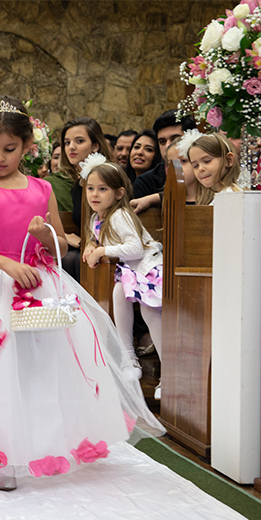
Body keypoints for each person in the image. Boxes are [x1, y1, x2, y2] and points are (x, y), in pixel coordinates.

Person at [0, 95, 162, 493]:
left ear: (27, 147)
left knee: (40, 366)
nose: (0, 157)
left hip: (39, 285)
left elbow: (59, 247)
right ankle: (1, 453)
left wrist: (43, 238)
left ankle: (40, 441)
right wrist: (6, 263)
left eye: (10, 149)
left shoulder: (40, 188)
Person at [81, 158, 163, 400]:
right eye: (90, 188)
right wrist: (90, 245)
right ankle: (128, 358)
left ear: (119, 193)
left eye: (102, 189)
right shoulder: (96, 218)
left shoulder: (120, 215)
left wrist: (102, 251)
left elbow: (136, 248)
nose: (95, 194)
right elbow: (100, 240)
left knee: (149, 312)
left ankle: (168, 373)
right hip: (131, 274)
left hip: (149, 268)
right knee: (119, 292)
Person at [49, 116, 115, 280]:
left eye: (79, 141)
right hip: (88, 246)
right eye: (67, 142)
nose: (71, 147)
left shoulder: (110, 176)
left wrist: (82, 242)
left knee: (75, 258)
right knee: (66, 258)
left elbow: (114, 223)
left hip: (113, 247)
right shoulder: (78, 184)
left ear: (95, 146)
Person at [130, 111, 198, 214]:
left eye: (175, 139)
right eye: (162, 142)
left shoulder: (206, 174)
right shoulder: (146, 182)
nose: (167, 146)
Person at [185, 132, 241, 206]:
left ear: (228, 160)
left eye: (207, 161)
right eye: (195, 166)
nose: (200, 169)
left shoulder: (229, 196)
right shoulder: (216, 197)